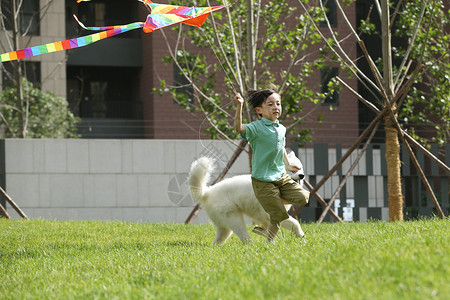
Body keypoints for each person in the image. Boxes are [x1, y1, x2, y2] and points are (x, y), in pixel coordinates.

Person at [234, 88, 310, 242]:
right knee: (279, 213)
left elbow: (280, 147)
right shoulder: (256, 128)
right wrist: (239, 106)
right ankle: (270, 241)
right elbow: (238, 128)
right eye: (270, 104)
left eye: (278, 104)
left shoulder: (281, 129)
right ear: (259, 110)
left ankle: (270, 207)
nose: (276, 107)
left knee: (303, 197)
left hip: (280, 176)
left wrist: (288, 165)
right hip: (263, 180)